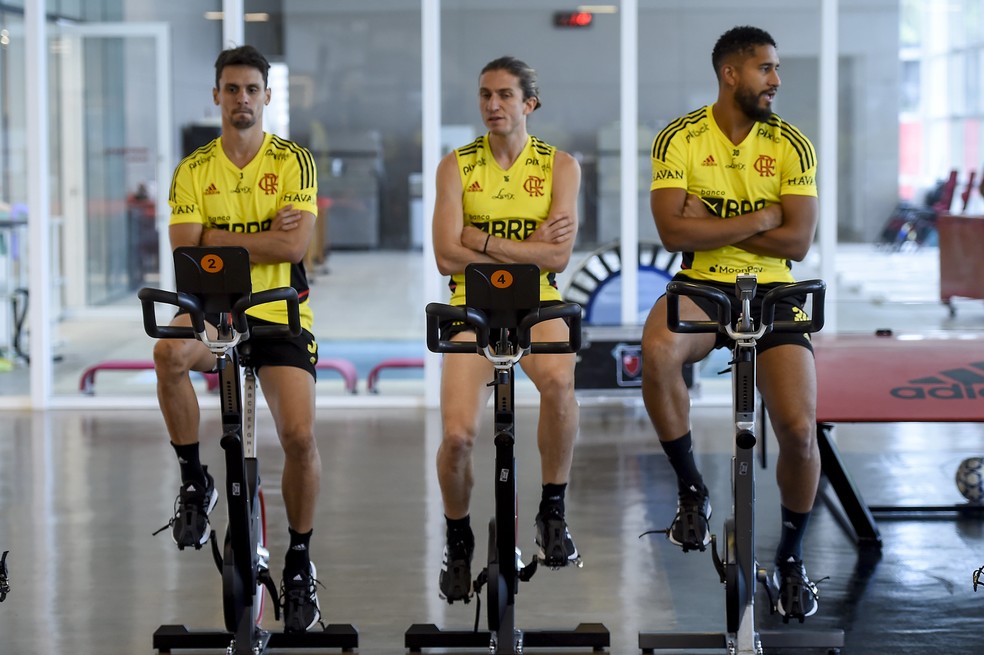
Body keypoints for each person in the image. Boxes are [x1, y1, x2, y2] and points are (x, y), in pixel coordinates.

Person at [642, 26, 823, 621]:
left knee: (798, 430)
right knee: (659, 350)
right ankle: (691, 488)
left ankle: (792, 556)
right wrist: (760, 215)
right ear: (731, 74)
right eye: (766, 69)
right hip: (702, 285)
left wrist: (715, 217)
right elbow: (673, 233)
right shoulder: (679, 138)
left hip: (773, 290)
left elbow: (797, 238)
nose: (776, 80)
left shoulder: (792, 144)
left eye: (775, 69)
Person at [152, 44, 323, 633]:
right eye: (232, 89)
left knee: (299, 437)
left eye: (252, 89)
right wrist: (254, 239)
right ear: (217, 95)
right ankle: (195, 480)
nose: (242, 99)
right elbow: (183, 253)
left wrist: (214, 237)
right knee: (168, 351)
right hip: (212, 308)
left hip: (277, 310)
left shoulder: (294, 161)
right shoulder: (193, 169)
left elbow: (293, 250)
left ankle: (299, 562)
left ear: (267, 97)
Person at [431, 56, 582, 603]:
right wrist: (528, 249)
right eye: (484, 95)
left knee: (561, 385)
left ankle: (552, 509)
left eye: (503, 96)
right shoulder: (456, 166)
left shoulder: (561, 166)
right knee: (457, 437)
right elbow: (447, 257)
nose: (492, 105)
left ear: (529, 104)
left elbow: (558, 257)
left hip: (537, 304)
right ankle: (458, 536)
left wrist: (484, 240)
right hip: (472, 306)